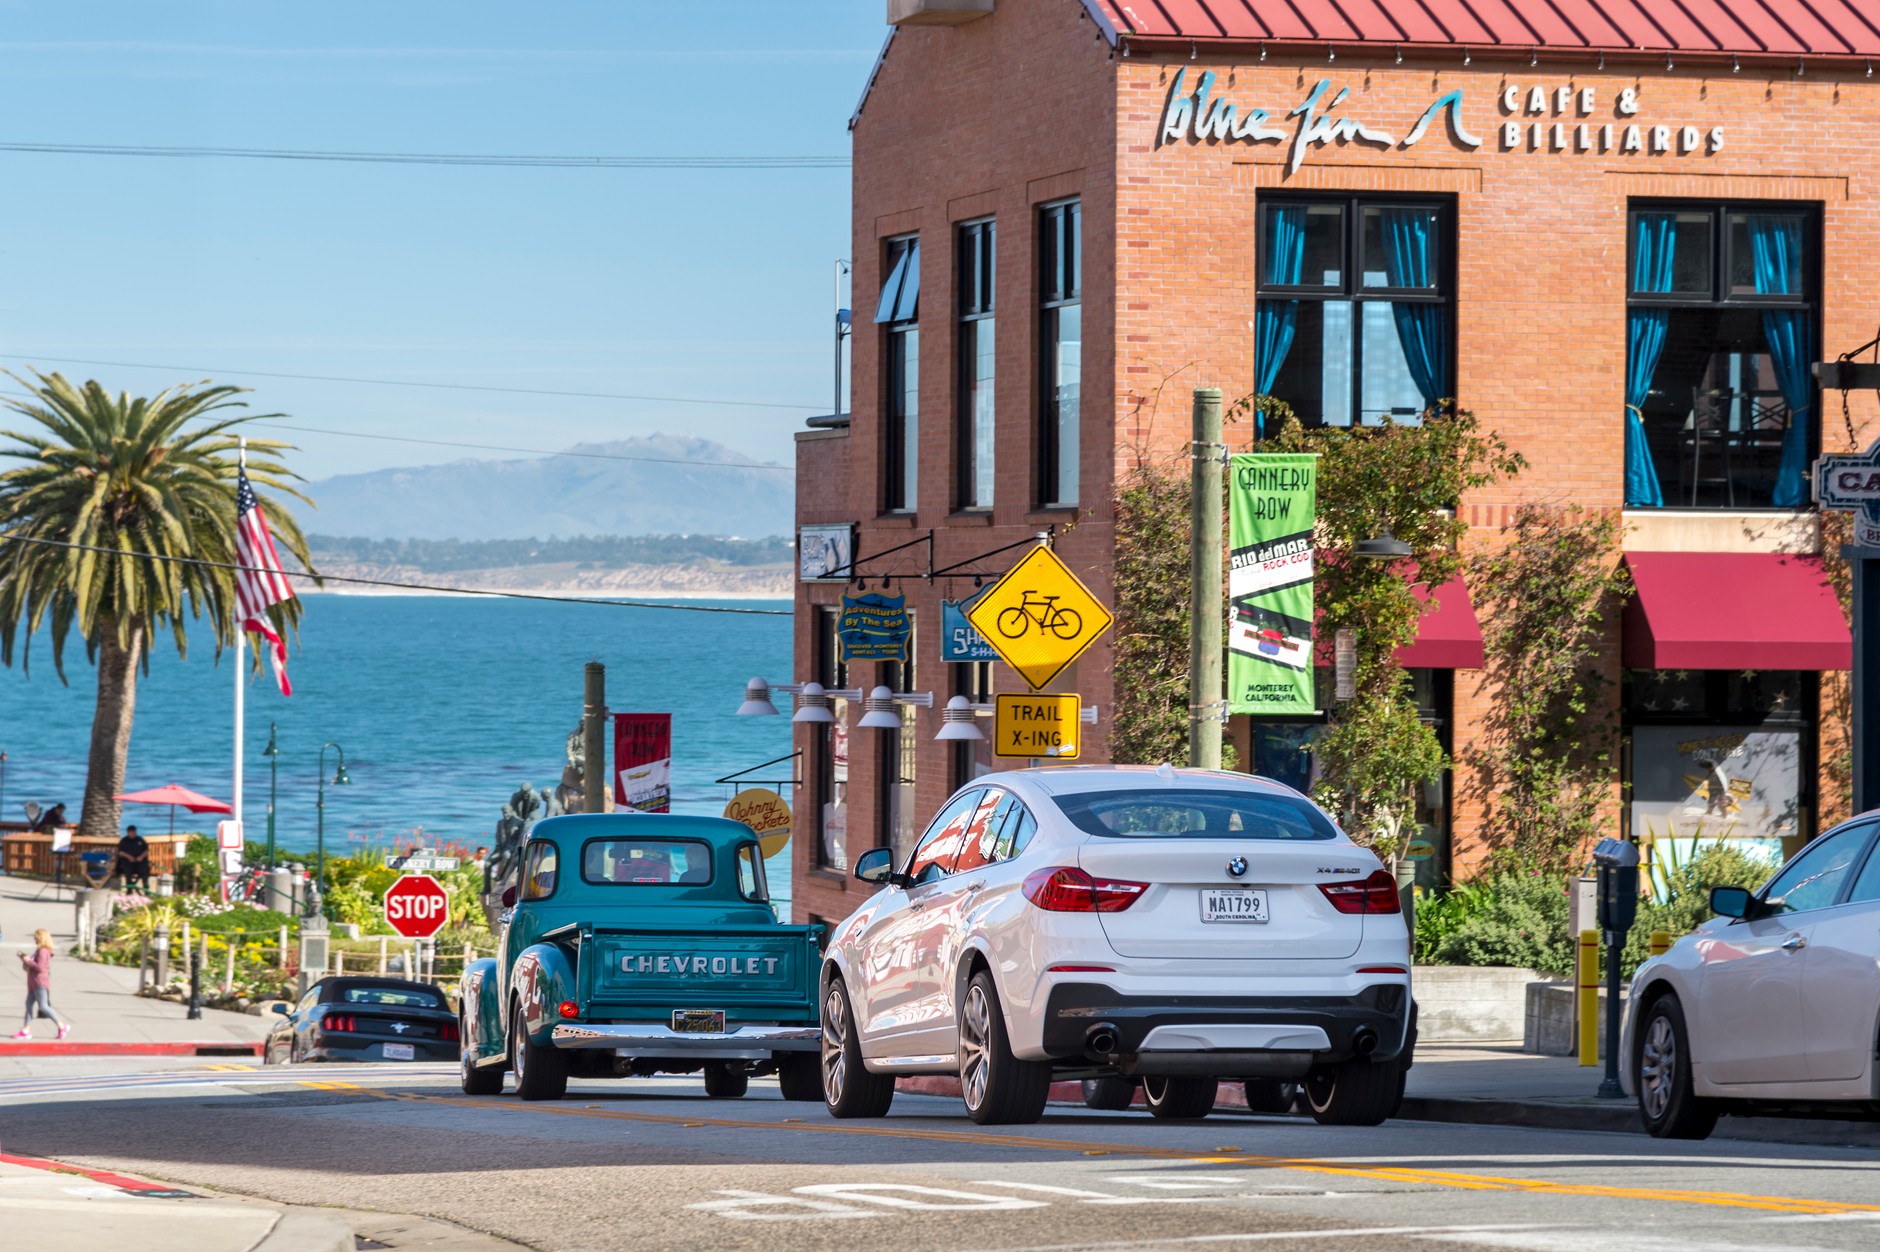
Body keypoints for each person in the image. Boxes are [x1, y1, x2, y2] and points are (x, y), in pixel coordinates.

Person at [14, 929, 71, 1041]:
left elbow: (40, 968)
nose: (34, 938)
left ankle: (62, 1026)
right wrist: (26, 961)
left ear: (41, 938)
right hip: (33, 983)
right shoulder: (39, 950)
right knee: (28, 1004)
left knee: (43, 1007)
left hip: (40, 982)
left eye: (36, 936)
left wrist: (27, 960)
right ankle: (26, 1030)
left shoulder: (43, 951)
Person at [113, 824, 151, 891]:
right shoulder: (124, 841)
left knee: (144, 871)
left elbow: (146, 850)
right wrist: (129, 857)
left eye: (134, 832)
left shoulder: (140, 840)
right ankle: (129, 890)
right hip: (128, 862)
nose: (133, 833)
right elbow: (120, 852)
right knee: (127, 871)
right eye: (132, 832)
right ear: (128, 833)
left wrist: (141, 857)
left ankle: (146, 889)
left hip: (140, 861)